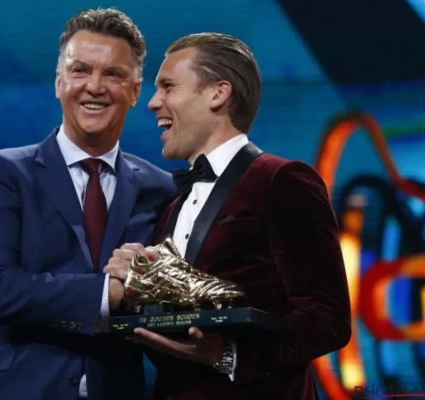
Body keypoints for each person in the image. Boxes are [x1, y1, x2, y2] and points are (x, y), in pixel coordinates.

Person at [0, 8, 177, 400]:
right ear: (59, 83)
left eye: (113, 74)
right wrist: (107, 293)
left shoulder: (161, 189)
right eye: (80, 71)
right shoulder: (3, 173)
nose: (95, 86)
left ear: (135, 91)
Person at [113, 33, 352, 399]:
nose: (152, 102)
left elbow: (327, 318)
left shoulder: (282, 181)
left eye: (168, 87)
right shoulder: (172, 208)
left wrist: (230, 355)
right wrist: (137, 288)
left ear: (218, 93)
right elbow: (179, 342)